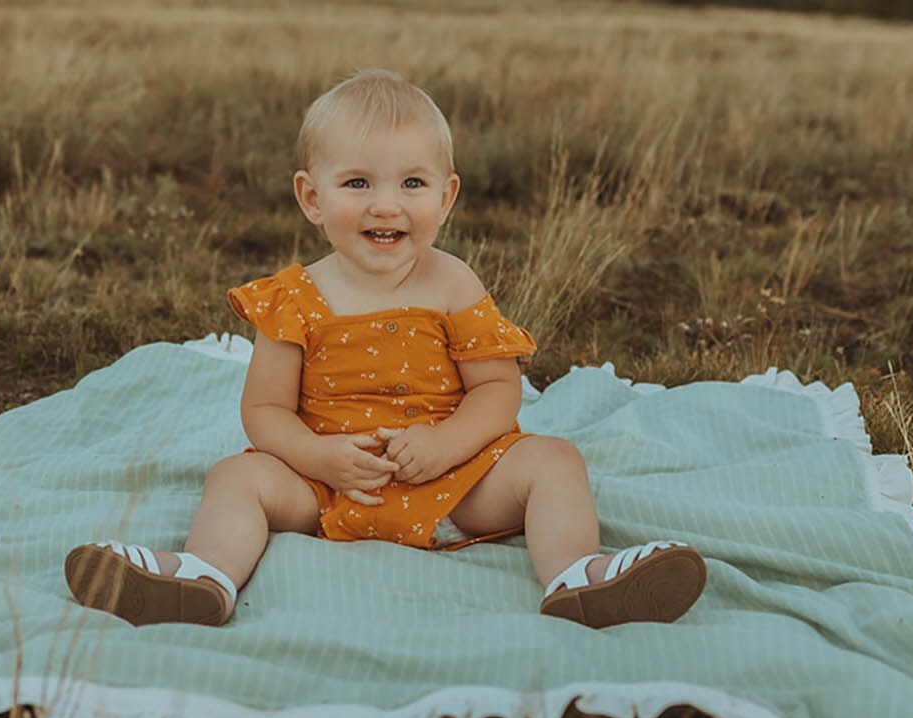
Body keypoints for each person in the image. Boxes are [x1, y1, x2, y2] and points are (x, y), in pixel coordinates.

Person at [64, 68, 705, 628]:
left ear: (446, 197)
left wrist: (444, 446)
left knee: (554, 460)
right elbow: (263, 412)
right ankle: (201, 577)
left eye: (412, 184)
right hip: (326, 490)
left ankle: (577, 577)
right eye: (358, 184)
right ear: (312, 198)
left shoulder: (453, 283)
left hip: (455, 484)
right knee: (238, 476)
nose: (386, 205)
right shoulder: (293, 298)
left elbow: (497, 389)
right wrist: (319, 457)